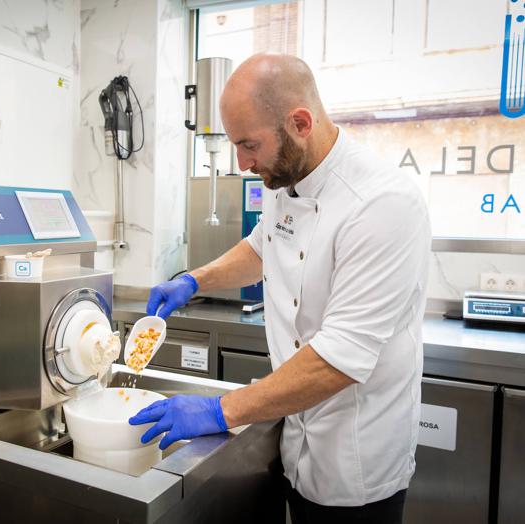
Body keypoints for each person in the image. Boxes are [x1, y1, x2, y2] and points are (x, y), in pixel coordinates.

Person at [129, 54, 430, 523]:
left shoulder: (383, 204)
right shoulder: (284, 177)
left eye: (249, 145)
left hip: (358, 457)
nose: (243, 163)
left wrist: (220, 410)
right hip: (296, 434)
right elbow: (261, 247)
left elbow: (339, 358)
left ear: (301, 123)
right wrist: (192, 280)